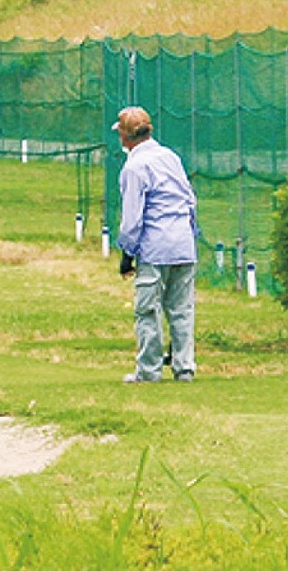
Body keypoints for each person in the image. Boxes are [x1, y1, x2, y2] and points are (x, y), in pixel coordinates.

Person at [114, 106, 199, 383]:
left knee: (147, 310)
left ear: (127, 137)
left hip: (155, 246)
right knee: (182, 310)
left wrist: (128, 253)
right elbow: (189, 198)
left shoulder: (134, 167)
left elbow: (132, 218)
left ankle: (148, 371)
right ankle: (184, 367)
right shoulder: (170, 157)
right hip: (183, 243)